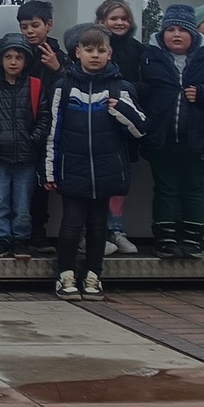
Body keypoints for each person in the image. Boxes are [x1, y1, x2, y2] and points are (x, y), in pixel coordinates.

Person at [43, 25, 145, 300]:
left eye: (101, 50)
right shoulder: (63, 87)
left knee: (99, 227)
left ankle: (93, 275)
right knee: (71, 224)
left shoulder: (121, 88)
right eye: (89, 50)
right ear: (78, 53)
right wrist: (49, 170)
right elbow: (52, 132)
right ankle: (65, 275)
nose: (95, 55)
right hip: (72, 170)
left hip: (106, 172)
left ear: (110, 54)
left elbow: (140, 129)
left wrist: (120, 109)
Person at [138, 3, 204, 259]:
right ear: (162, 33)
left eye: (183, 30)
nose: (176, 34)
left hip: (199, 138)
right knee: (165, 188)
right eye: (170, 29)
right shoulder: (148, 57)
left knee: (194, 188)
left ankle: (194, 238)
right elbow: (139, 90)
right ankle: (165, 237)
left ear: (193, 33)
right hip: (161, 137)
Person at [0, 36, 48, 257]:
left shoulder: (35, 86)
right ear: (0, 60)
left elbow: (45, 118)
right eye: (8, 57)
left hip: (27, 157)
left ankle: (21, 240)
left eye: (18, 57)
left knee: (23, 203)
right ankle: (0, 239)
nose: (13, 62)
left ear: (26, 61)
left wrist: (32, 139)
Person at [93, 0, 146, 256]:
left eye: (124, 18)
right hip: (95, 125)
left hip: (123, 127)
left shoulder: (139, 50)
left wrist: (124, 91)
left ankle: (115, 229)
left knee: (118, 183)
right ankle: (93, 232)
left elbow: (148, 85)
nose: (120, 22)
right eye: (113, 18)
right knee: (93, 183)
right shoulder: (92, 44)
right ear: (102, 21)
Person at [16, 0, 65, 252]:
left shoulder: (60, 56)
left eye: (35, 25)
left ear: (49, 25)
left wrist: (58, 69)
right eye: (24, 26)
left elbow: (71, 87)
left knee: (42, 184)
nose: (29, 31)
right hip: (18, 128)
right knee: (17, 182)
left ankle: (38, 233)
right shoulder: (17, 52)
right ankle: (15, 235)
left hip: (48, 131)